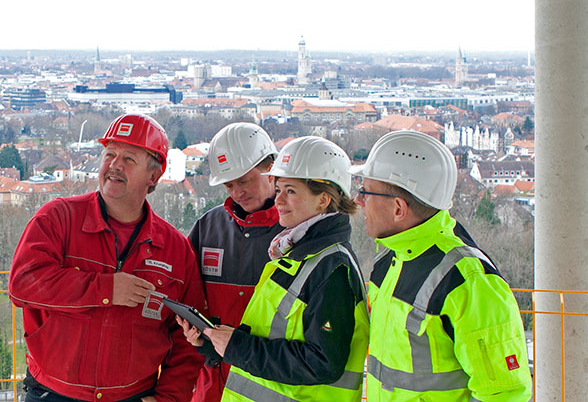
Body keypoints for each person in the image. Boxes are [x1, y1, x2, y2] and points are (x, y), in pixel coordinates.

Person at [9, 114, 206, 402]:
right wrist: (106, 289)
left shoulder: (175, 249)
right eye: (110, 154)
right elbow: (23, 284)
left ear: (154, 176)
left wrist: (170, 398)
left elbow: (189, 337)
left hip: (134, 396)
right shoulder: (57, 219)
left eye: (129, 158)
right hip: (53, 394)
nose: (114, 165)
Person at [181, 136, 369, 402]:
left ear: (323, 200)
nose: (279, 200)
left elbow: (322, 362)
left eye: (290, 191)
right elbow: (267, 339)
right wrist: (211, 342)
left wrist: (236, 347)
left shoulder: (331, 267)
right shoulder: (293, 255)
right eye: (278, 189)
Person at [350, 130, 532, 401]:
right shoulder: (389, 258)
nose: (358, 201)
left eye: (365, 192)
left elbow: (505, 394)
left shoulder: (469, 281)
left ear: (399, 209)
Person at [187, 122, 283, 401]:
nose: (237, 192)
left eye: (244, 181)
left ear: (271, 169)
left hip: (270, 385)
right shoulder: (209, 226)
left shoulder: (297, 231)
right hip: (213, 382)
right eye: (229, 185)